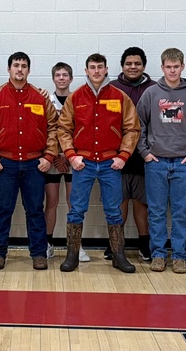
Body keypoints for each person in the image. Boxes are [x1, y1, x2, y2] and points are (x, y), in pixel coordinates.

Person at [56, 53, 140, 273]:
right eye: (92, 67)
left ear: (105, 69)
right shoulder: (76, 97)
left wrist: (123, 155)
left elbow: (132, 128)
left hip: (109, 163)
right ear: (86, 70)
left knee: (113, 210)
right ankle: (72, 255)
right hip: (82, 162)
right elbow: (63, 128)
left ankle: (118, 256)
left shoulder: (120, 96)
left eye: (99, 67)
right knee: (76, 210)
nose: (96, 71)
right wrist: (71, 155)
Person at [0, 52, 59, 271]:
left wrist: (49, 156)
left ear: (28, 70)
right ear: (9, 69)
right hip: (5, 164)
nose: (19, 69)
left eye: (23, 66)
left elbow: (53, 127)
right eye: (15, 65)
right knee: (2, 210)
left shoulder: (41, 98)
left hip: (34, 164)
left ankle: (39, 254)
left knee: (35, 211)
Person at [137, 48, 186, 274]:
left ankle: (178, 255)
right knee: (156, 211)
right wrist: (145, 153)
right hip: (156, 162)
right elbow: (138, 125)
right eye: (168, 67)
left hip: (184, 163)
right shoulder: (150, 93)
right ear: (162, 68)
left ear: (182, 67)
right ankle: (158, 254)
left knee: (181, 211)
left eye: (176, 67)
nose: (172, 70)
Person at [108, 47, 157, 261]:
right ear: (122, 66)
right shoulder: (112, 88)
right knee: (119, 201)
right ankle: (115, 244)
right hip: (116, 155)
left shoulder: (154, 89)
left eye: (137, 63)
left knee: (141, 202)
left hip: (145, 155)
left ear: (144, 66)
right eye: (129, 63)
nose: (133, 67)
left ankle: (144, 245)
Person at [44, 62, 84, 262]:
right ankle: (47, 243)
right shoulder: (46, 101)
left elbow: (80, 130)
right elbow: (46, 130)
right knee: (51, 202)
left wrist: (67, 155)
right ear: (53, 78)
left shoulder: (78, 100)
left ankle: (76, 246)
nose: (61, 78)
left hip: (72, 159)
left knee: (73, 203)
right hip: (52, 158)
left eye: (65, 75)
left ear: (71, 78)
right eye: (58, 75)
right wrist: (56, 155)